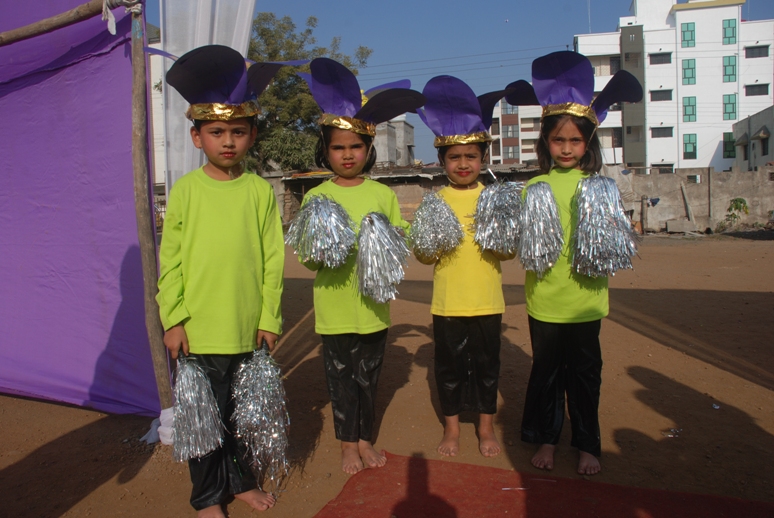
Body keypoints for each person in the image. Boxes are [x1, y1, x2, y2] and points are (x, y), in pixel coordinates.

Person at [157, 45, 286, 517]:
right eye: (216, 133)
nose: (227, 142)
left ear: (251, 135)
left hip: (248, 330)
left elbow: (273, 260)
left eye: (237, 132)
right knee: (203, 421)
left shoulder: (258, 192)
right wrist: (174, 320)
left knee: (243, 418)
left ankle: (243, 482)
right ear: (197, 138)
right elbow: (168, 262)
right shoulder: (186, 192)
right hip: (198, 333)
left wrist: (269, 317)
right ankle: (207, 498)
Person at [504, 51, 642, 476]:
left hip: (585, 303)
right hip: (544, 301)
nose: (566, 148)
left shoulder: (601, 188)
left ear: (588, 143)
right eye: (558, 140)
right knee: (546, 372)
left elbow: (614, 246)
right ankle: (547, 437)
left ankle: (587, 443)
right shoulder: (533, 188)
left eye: (575, 141)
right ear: (545, 141)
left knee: (585, 376)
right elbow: (517, 244)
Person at [297, 58, 425, 474]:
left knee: (369, 378)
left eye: (355, 147)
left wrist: (412, 234)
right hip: (333, 309)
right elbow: (306, 255)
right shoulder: (316, 196)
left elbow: (397, 240)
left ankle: (365, 439)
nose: (347, 154)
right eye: (338, 147)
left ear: (369, 150)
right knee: (340, 380)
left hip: (373, 308)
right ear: (326, 150)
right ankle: (346, 445)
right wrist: (327, 247)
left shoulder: (381, 194)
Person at [413, 76, 516, 458]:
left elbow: (507, 254)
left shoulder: (494, 199)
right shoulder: (434, 203)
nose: (463, 164)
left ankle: (486, 428)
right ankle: (453, 429)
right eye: (454, 157)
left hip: (488, 302)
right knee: (450, 370)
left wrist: (499, 233)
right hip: (448, 305)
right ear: (442, 161)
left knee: (488, 368)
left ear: (482, 159)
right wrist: (435, 239)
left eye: (471, 156)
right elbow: (423, 255)